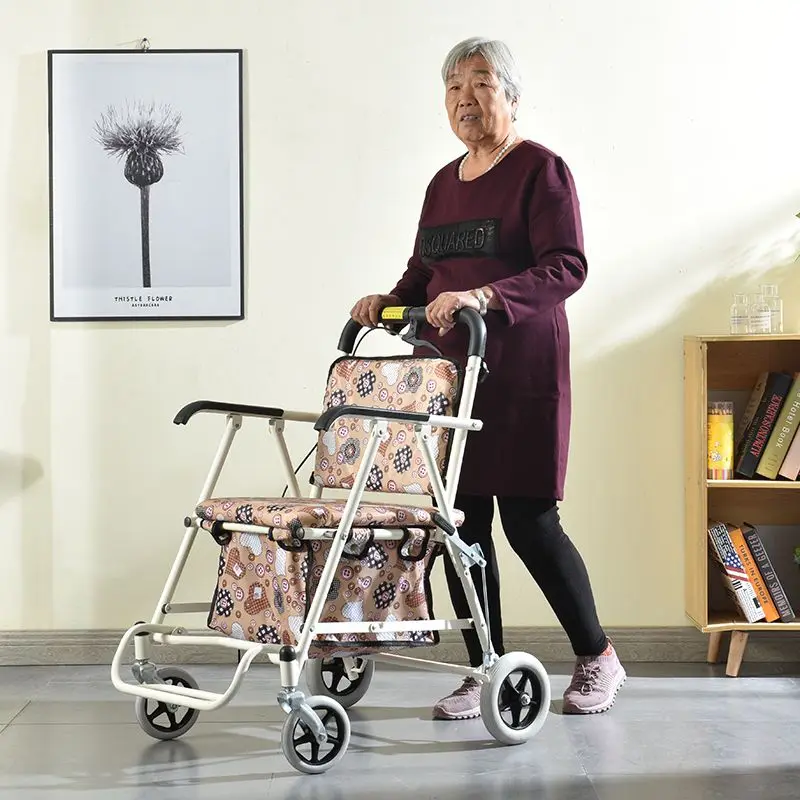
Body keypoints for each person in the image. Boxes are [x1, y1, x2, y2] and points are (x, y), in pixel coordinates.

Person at [350, 36, 625, 718]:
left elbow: (567, 265)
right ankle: (486, 669)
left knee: (531, 522)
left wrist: (487, 297)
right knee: (461, 526)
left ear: (510, 96)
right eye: (453, 88)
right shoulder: (443, 182)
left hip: (520, 371)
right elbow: (424, 273)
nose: (465, 99)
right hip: (445, 377)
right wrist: (380, 304)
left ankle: (598, 658)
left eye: (480, 84)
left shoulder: (541, 170)